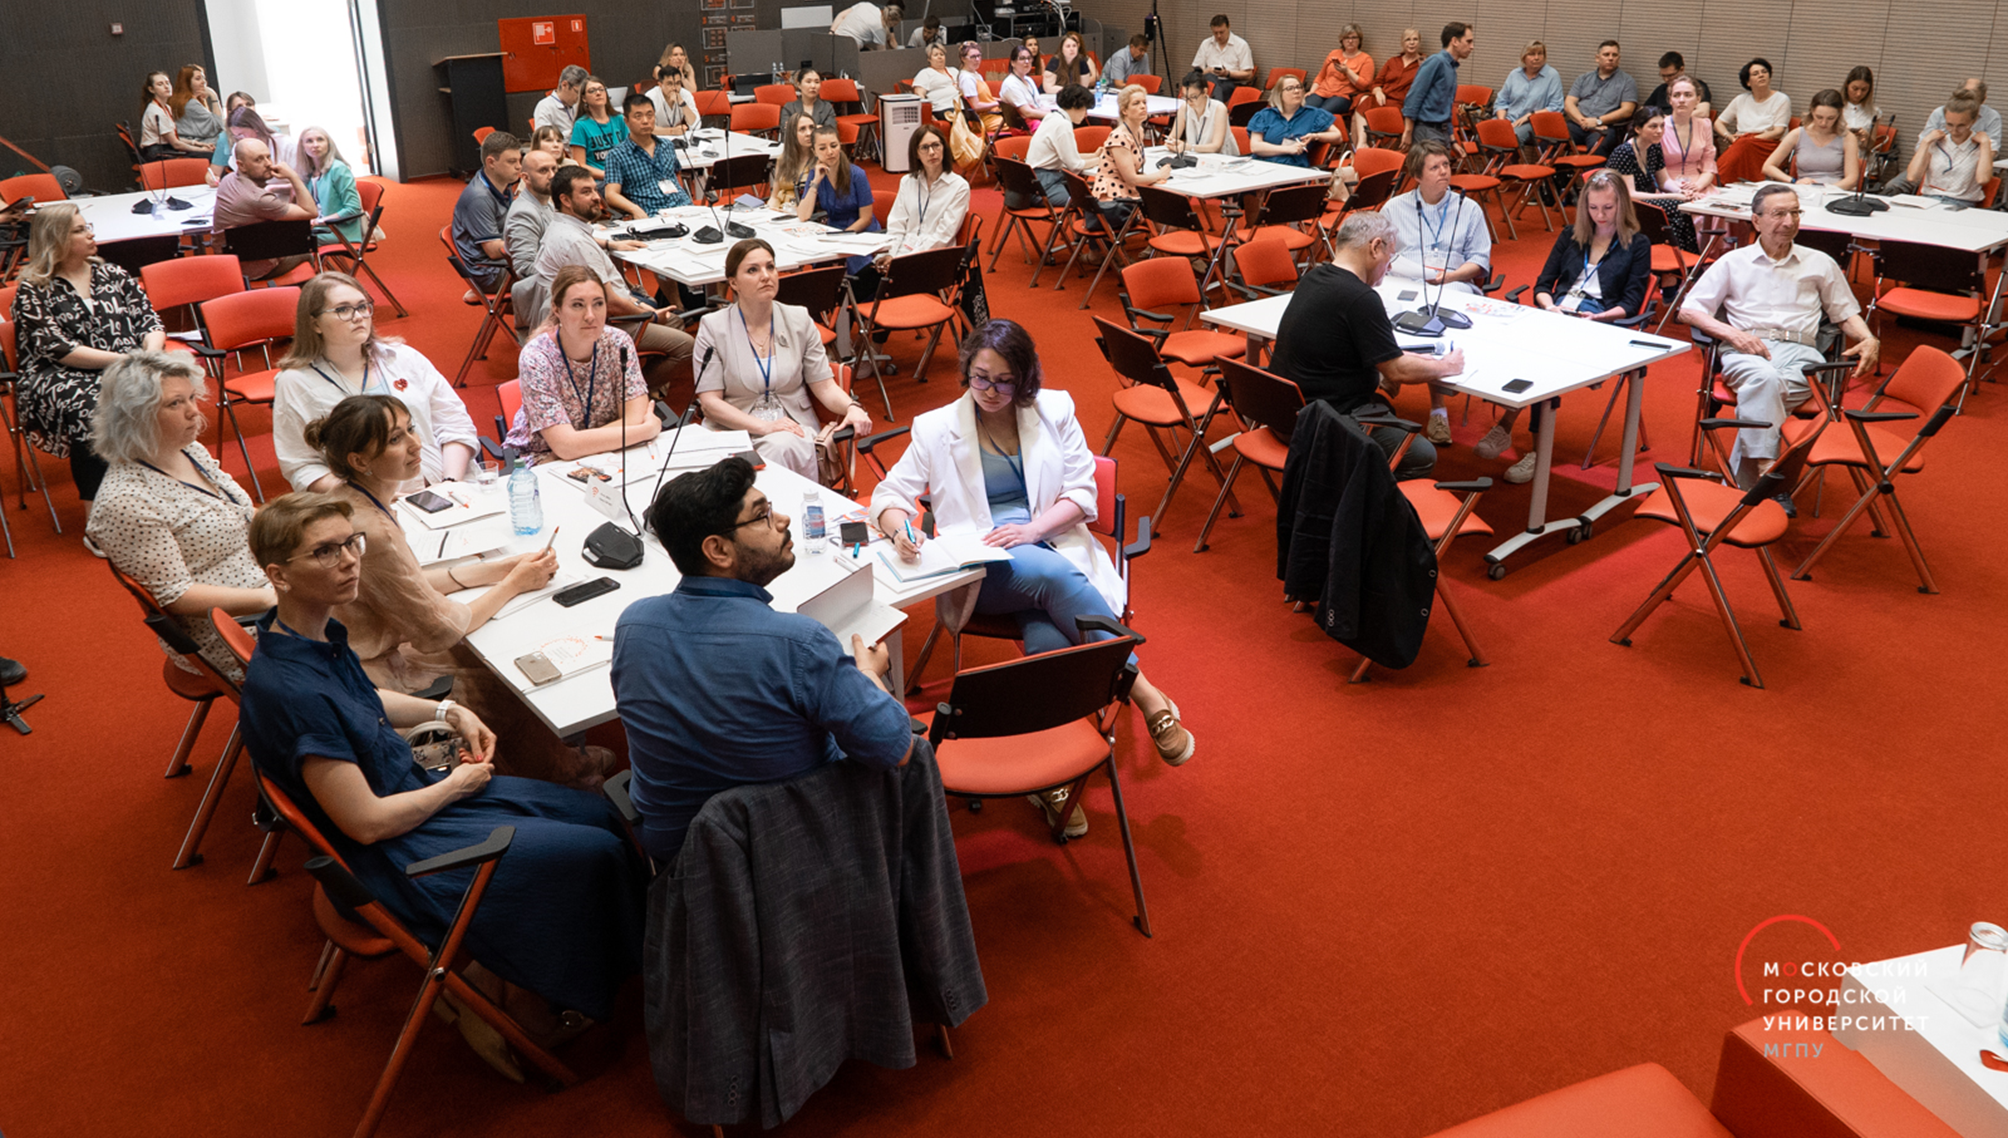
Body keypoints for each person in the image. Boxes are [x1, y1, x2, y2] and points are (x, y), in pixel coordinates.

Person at [237, 491, 645, 1075]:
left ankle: (556, 969)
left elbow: (362, 699)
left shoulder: (305, 632)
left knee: (597, 811)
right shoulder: (293, 693)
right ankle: (521, 1008)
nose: (349, 560)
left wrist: (447, 711)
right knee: (592, 850)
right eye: (324, 552)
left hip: (407, 794)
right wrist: (457, 784)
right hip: (396, 848)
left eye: (351, 543)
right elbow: (366, 824)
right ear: (279, 574)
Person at [869, 319, 1196, 831]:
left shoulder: (1054, 409)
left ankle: (1049, 776)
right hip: (983, 569)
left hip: (1052, 541)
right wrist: (899, 529)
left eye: (1004, 381)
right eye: (980, 378)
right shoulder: (936, 428)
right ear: (967, 371)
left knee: (1047, 635)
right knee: (1051, 578)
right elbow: (889, 495)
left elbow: (1083, 495)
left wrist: (1033, 529)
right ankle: (1143, 690)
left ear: (1024, 380)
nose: (990, 391)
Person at [302, 394, 613, 788]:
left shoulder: (358, 500)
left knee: (493, 650)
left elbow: (407, 582)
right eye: (396, 439)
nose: (416, 444)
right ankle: (557, 776)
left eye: (411, 429)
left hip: (362, 652)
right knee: (504, 674)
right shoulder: (372, 530)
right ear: (359, 461)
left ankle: (545, 759)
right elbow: (441, 629)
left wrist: (494, 571)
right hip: (372, 673)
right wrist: (513, 584)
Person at [613, 455, 913, 862]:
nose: (783, 520)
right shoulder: (799, 643)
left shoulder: (633, 624)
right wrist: (867, 674)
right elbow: (896, 749)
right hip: (790, 849)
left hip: (679, 857)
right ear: (717, 550)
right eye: (762, 516)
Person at [1680, 183, 1877, 510]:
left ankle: (1757, 480)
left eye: (1795, 213)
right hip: (1746, 349)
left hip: (1802, 354)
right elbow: (1689, 309)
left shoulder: (1820, 262)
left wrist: (1868, 338)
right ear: (1756, 220)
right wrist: (1732, 334)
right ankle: (1768, 472)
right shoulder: (1733, 262)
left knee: (1766, 388)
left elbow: (1845, 313)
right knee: (1764, 379)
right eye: (1779, 214)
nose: (1789, 221)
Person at [84, 351, 272, 680]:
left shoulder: (187, 449)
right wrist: (275, 598)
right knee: (357, 619)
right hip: (229, 629)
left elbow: (241, 512)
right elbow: (176, 596)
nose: (193, 411)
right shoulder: (126, 500)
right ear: (136, 415)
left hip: (264, 586)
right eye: (175, 403)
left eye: (191, 398)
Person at [1476, 171, 1653, 484]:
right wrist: (1550, 307)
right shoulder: (1571, 235)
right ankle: (1519, 434)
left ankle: (1517, 434)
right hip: (1557, 313)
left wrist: (1598, 318)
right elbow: (1543, 285)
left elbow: (1631, 302)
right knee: (1529, 349)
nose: (1600, 215)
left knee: (1541, 359)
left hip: (1599, 320)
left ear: (1622, 206)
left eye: (1608, 208)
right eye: (1593, 208)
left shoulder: (1637, 244)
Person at [1268, 211, 1464, 481]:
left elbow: (1348, 347)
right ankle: (1356, 501)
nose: (1389, 267)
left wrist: (1391, 362)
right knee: (1420, 454)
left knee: (1384, 407)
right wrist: (1447, 366)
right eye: (1390, 256)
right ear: (1375, 247)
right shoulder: (1361, 298)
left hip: (1283, 414)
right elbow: (1398, 371)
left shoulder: (1313, 278)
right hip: (1319, 425)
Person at [11, 205, 166, 501]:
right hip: (61, 374)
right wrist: (129, 360)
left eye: (87, 227)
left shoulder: (113, 274)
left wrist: (151, 353)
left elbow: (149, 321)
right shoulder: (33, 289)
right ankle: (96, 507)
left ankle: (159, 492)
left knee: (171, 390)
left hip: (129, 362)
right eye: (80, 230)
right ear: (56, 239)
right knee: (95, 406)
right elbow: (59, 349)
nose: (91, 234)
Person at [273, 272, 479, 494]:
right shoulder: (294, 383)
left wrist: (450, 483)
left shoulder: (403, 358)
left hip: (445, 487)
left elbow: (455, 423)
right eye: (343, 310)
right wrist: (370, 498)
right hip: (360, 503)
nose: (358, 317)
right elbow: (302, 466)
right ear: (315, 324)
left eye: (362, 306)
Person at [693, 240, 871, 480]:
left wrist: (852, 407)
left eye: (770, 267)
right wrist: (764, 427)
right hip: (734, 428)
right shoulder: (713, 327)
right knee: (767, 452)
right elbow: (710, 403)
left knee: (781, 446)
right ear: (733, 283)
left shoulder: (799, 319)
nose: (766, 276)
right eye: (753, 270)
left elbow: (825, 386)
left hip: (792, 426)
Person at [532, 166, 692, 379]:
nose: (596, 197)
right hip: (603, 322)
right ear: (566, 200)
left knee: (673, 319)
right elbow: (611, 303)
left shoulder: (563, 228)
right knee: (687, 346)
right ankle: (631, 391)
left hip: (593, 314)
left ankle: (647, 387)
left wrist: (641, 306)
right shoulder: (576, 243)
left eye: (594, 190)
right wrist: (650, 315)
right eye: (586, 192)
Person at [1383, 141, 1491, 443]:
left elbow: (1480, 260)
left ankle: (1438, 409)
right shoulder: (1394, 208)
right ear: (1417, 176)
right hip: (1406, 281)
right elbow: (1383, 254)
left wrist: (1451, 276)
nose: (1444, 172)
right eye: (1435, 167)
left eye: (1446, 165)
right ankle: (1392, 368)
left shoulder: (1468, 208)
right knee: (1379, 309)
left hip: (1452, 282)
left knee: (1436, 324)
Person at [504, 266, 663, 464]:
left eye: (598, 304)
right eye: (578, 305)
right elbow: (565, 446)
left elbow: (635, 418)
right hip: (547, 460)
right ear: (557, 309)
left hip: (610, 451)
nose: (590, 315)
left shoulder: (618, 342)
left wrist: (578, 445)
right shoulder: (536, 357)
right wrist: (646, 430)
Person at [213, 137, 317, 281]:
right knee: (306, 253)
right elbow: (311, 212)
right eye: (258, 160)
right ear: (241, 165)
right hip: (250, 269)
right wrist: (293, 177)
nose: (268, 163)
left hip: (228, 261)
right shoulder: (258, 199)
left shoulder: (228, 180)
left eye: (268, 157)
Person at [877, 124, 970, 261]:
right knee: (865, 273)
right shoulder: (907, 182)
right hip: (902, 250)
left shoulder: (959, 186)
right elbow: (897, 224)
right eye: (925, 148)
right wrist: (889, 254)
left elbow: (943, 236)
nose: (932, 152)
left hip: (933, 256)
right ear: (916, 154)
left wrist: (903, 260)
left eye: (936, 145)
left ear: (944, 148)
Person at [796, 125, 879, 273]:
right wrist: (816, 182)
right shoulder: (815, 174)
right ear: (814, 151)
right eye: (822, 148)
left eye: (834, 146)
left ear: (840, 146)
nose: (830, 152)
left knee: (855, 267)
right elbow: (803, 215)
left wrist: (842, 237)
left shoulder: (857, 174)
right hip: (833, 230)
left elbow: (866, 218)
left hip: (859, 231)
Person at [1091, 85, 1170, 231]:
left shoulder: (1138, 131)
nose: (1143, 107)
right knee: (1170, 222)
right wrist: (1159, 175)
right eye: (1136, 103)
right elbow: (1131, 179)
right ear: (1124, 111)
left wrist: (1152, 178)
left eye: (1144, 102)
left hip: (1127, 190)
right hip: (1114, 198)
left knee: (1172, 215)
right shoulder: (1119, 136)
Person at [450, 131, 520, 296]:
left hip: (505, 263)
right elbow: (493, 250)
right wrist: (529, 243)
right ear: (491, 162)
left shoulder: (503, 183)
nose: (519, 166)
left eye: (519, 160)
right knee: (557, 272)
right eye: (512, 162)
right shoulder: (479, 198)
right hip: (491, 273)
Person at [603, 94, 692, 220]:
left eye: (649, 115)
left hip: (683, 207)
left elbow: (676, 174)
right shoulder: (617, 155)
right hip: (652, 213)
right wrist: (634, 209)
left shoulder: (667, 145)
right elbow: (611, 195)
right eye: (638, 116)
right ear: (626, 121)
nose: (645, 121)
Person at [1902, 91, 1994, 204]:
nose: (1954, 131)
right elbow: (1912, 177)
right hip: (1929, 199)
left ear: (1973, 121)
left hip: (1960, 202)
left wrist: (1985, 144)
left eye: (1961, 126)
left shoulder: (1981, 144)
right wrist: (1925, 142)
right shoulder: (1936, 141)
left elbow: (1983, 179)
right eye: (1949, 124)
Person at [1657, 74, 1715, 252]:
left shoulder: (1705, 124)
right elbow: (1655, 170)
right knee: (1691, 213)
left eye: (1688, 95)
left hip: (1699, 184)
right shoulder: (1659, 126)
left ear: (1698, 100)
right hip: (1666, 184)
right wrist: (1679, 191)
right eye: (1677, 95)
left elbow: (1709, 165)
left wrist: (1697, 186)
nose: (1682, 100)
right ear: (1670, 100)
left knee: (1716, 214)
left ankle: (1709, 260)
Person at [1714, 58, 1791, 184]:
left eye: (1764, 72)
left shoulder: (1781, 99)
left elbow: (1778, 132)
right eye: (1755, 74)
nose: (1761, 75)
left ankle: (1716, 180)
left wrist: (1750, 139)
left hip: (1768, 144)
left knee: (1742, 147)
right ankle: (1719, 180)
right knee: (1741, 148)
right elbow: (1718, 123)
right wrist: (1729, 137)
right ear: (1748, 82)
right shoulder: (1740, 100)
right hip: (1742, 144)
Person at [1763, 89, 1861, 188]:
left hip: (1835, 189)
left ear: (1839, 114)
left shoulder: (1847, 138)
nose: (1823, 123)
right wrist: (1793, 181)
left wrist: (1827, 189)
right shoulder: (1797, 134)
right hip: (1805, 189)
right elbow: (1768, 167)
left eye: (1830, 118)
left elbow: (1852, 179)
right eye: (1819, 117)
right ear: (1812, 111)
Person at [505, 147, 558, 317]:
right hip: (547, 295)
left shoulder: (546, 202)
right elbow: (525, 267)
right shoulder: (524, 213)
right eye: (543, 171)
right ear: (525, 178)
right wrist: (571, 272)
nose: (552, 175)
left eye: (554, 169)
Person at [1401, 23, 1472, 149]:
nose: (1472, 47)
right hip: (1427, 130)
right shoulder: (1436, 62)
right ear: (1455, 41)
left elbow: (1446, 108)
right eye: (1468, 41)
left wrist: (1453, 141)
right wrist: (1408, 131)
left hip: (1442, 132)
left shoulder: (1451, 68)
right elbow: (1414, 96)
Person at [1249, 75, 1343, 167]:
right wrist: (1288, 149)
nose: (1297, 91)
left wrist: (1315, 136)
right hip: (1262, 165)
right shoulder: (1265, 115)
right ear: (1279, 94)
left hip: (1294, 167)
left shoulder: (1314, 114)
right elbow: (1255, 147)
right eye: (1290, 88)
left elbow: (1338, 136)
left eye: (1299, 87)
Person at [1564, 40, 1639, 156]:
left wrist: (1598, 121)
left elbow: (1627, 110)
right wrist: (1582, 121)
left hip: (1605, 128)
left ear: (1619, 59)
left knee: (1598, 146)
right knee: (1551, 138)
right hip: (1578, 124)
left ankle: (1594, 169)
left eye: (1614, 55)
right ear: (1597, 58)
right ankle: (1554, 168)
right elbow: (1569, 103)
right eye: (1606, 54)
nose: (1610, 58)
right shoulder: (1583, 78)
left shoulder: (1627, 81)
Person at [294, 126, 365, 246]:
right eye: (309, 141)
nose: (315, 145)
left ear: (329, 143)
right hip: (318, 229)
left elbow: (353, 209)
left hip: (340, 231)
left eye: (320, 139)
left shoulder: (338, 169)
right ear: (302, 146)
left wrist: (320, 221)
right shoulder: (308, 173)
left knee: (290, 242)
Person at [1029, 84, 1096, 204]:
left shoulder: (1052, 117)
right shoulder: (1063, 125)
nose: (1086, 114)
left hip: (1035, 180)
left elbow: (1067, 157)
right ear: (1075, 105)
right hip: (1045, 185)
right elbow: (1075, 165)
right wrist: (1100, 160)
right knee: (1087, 202)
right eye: (1085, 109)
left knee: (1087, 196)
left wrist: (1094, 156)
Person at [1360, 28, 1423, 149]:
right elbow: (1376, 82)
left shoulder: (1423, 63)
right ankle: (1361, 144)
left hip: (1401, 103)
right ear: (1402, 42)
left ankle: (1379, 147)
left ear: (1419, 42)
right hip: (1383, 98)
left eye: (1415, 39)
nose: (1412, 43)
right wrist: (1378, 91)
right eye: (1408, 39)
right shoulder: (1393, 61)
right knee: (1362, 100)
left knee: (1369, 105)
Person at [1496, 41, 1564, 148]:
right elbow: (1501, 101)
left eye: (1540, 54)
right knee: (1482, 136)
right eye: (1532, 54)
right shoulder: (1515, 74)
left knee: (1512, 137)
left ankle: (1509, 159)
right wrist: (1502, 122)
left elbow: (1556, 107)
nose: (1536, 58)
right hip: (1509, 119)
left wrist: (1530, 115)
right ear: (1524, 57)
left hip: (1533, 123)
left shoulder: (1552, 75)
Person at [566, 76, 625, 182]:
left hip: (624, 175)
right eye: (592, 91)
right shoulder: (581, 125)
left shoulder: (619, 119)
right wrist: (609, 176)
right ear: (584, 98)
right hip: (600, 180)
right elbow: (580, 165)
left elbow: (632, 150)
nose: (598, 93)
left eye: (601, 89)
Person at [1307, 25, 1373, 118]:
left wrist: (1348, 71)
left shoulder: (1366, 59)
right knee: (1305, 110)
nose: (1350, 41)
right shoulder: (1334, 53)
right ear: (1342, 39)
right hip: (1322, 92)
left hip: (1343, 96)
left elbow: (1364, 86)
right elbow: (1321, 76)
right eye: (1347, 38)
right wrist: (1312, 91)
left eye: (1354, 37)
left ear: (1359, 40)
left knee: (1322, 113)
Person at [138, 71, 203, 161]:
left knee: (206, 154)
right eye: (160, 84)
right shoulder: (155, 111)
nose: (166, 86)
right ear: (151, 89)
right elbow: (176, 144)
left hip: (166, 149)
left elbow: (173, 138)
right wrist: (202, 150)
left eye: (167, 83)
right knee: (209, 156)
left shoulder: (166, 107)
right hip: (158, 154)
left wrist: (195, 143)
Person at [1167, 70, 1236, 155]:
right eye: (1185, 97)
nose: (1188, 101)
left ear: (1205, 92)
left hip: (1221, 157)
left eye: (1193, 97)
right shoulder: (1184, 107)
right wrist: (1170, 143)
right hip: (1194, 155)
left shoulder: (1219, 108)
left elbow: (1216, 147)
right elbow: (1173, 136)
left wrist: (1189, 147)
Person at [1190, 14, 1254, 104]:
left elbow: (1248, 74)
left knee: (1210, 89)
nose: (1219, 36)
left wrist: (1227, 73)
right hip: (1207, 82)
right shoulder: (1206, 44)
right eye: (1215, 33)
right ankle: (1218, 107)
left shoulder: (1241, 45)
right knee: (1209, 78)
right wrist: (1209, 70)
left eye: (1222, 32)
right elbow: (1197, 72)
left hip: (1230, 82)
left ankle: (1216, 106)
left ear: (1228, 27)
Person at [768, 112, 819, 211]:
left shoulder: (821, 160)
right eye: (802, 129)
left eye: (812, 127)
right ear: (793, 134)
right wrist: (770, 211)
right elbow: (774, 197)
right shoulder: (783, 159)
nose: (809, 133)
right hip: (782, 209)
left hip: (806, 211)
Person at [169, 65, 225, 155]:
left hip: (193, 143)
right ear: (187, 82)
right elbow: (218, 125)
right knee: (227, 137)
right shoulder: (191, 103)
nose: (203, 82)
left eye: (203, 78)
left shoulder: (184, 100)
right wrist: (214, 97)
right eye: (198, 79)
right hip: (198, 144)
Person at [955, 41, 1004, 137]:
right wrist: (998, 103)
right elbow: (975, 106)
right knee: (1018, 124)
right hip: (983, 120)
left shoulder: (976, 75)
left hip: (990, 115)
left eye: (979, 56)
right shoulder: (967, 78)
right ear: (963, 59)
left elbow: (984, 98)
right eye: (973, 57)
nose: (977, 59)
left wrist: (1001, 100)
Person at [1644, 52, 1712, 119]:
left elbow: (1703, 112)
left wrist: (1670, 119)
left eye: (1670, 75)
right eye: (1663, 76)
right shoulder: (1661, 89)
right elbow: (1644, 111)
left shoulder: (1697, 86)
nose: (1666, 79)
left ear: (1681, 69)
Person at [999, 46, 1048, 127]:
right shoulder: (1010, 83)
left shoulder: (1029, 80)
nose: (1027, 61)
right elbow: (1027, 112)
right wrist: (1051, 115)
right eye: (1022, 58)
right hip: (1026, 126)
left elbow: (1038, 104)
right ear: (1013, 63)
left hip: (1038, 119)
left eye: (1029, 58)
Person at [780, 66, 838, 133]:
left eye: (817, 82)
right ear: (799, 85)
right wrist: (817, 128)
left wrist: (800, 128)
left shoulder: (827, 108)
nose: (813, 86)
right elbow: (787, 131)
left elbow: (830, 131)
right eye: (808, 82)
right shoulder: (789, 108)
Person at [533, 64, 588, 136]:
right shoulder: (545, 106)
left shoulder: (576, 104)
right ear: (564, 85)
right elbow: (543, 137)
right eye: (577, 92)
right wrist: (574, 132)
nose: (580, 97)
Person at [647, 65, 701, 138]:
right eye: (670, 84)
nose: (674, 88)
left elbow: (696, 125)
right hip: (657, 139)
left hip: (679, 138)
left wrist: (682, 103)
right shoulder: (651, 97)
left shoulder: (686, 95)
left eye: (678, 83)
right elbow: (647, 128)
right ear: (660, 85)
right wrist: (672, 131)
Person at [912, 43, 961, 118]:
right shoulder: (925, 73)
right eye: (935, 55)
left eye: (942, 54)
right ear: (929, 59)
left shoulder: (954, 70)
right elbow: (919, 95)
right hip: (941, 108)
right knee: (959, 117)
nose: (939, 57)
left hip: (960, 106)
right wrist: (928, 114)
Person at [830, 1, 901, 49]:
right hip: (850, 48)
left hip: (836, 39)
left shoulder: (866, 5)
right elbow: (881, 54)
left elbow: (841, 15)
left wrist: (831, 33)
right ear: (892, 21)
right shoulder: (879, 28)